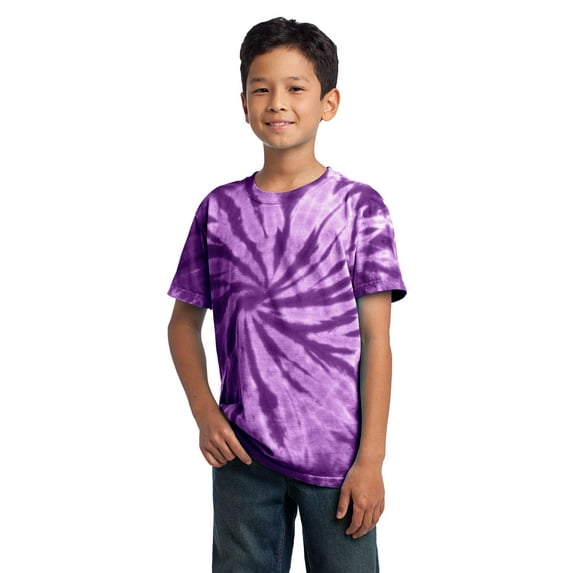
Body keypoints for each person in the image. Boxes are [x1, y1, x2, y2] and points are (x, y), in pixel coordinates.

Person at [167, 16, 407, 572]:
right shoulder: (219, 211)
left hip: (338, 462)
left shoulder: (359, 208)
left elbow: (377, 341)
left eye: (296, 88)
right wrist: (204, 412)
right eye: (262, 89)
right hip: (243, 455)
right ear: (244, 103)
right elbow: (182, 324)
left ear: (329, 102)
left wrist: (371, 459)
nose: (277, 102)